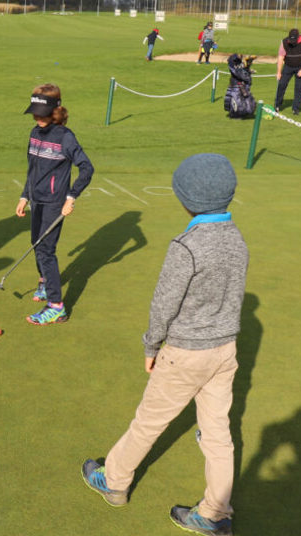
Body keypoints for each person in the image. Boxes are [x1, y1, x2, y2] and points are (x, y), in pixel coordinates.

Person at [81, 153, 248, 536]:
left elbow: (163, 305)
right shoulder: (237, 239)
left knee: (148, 422)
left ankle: (115, 481)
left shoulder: (185, 245)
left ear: (186, 199)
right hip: (225, 351)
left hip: (185, 353)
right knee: (218, 434)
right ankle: (215, 513)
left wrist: (151, 346)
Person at [14, 84, 94, 325]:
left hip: (54, 202)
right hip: (36, 199)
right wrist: (24, 196)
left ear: (55, 111)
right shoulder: (34, 133)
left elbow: (87, 168)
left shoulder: (65, 137)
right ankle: (45, 283)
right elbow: (32, 170)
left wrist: (71, 197)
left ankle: (57, 306)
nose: (37, 118)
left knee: (46, 251)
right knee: (36, 244)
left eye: (41, 113)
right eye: (35, 113)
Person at [274, 28, 301, 115]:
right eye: (291, 40)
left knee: (299, 88)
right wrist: (279, 72)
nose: (292, 42)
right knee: (281, 84)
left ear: (298, 37)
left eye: (294, 40)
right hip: (288, 66)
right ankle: (277, 105)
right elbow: (281, 57)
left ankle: (295, 109)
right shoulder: (284, 42)